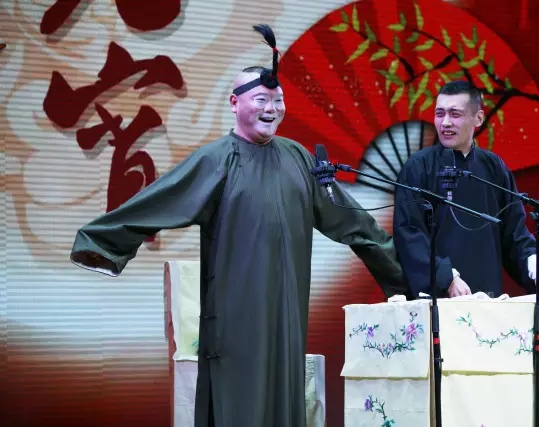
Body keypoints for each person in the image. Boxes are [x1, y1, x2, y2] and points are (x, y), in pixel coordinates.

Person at [69, 24, 409, 427]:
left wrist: (408, 276)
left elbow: (353, 221)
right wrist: (99, 242)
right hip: (236, 315)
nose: (272, 108)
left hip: (286, 314)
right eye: (261, 99)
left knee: (283, 400)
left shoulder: (299, 158)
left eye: (279, 100)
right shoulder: (216, 160)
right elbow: (158, 201)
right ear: (234, 103)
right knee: (238, 405)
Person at [393, 80, 539, 299]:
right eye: (439, 114)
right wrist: (446, 277)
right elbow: (410, 234)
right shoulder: (419, 167)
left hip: (487, 298)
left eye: (455, 114)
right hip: (438, 300)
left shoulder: (494, 167)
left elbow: (514, 234)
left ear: (478, 118)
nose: (445, 122)